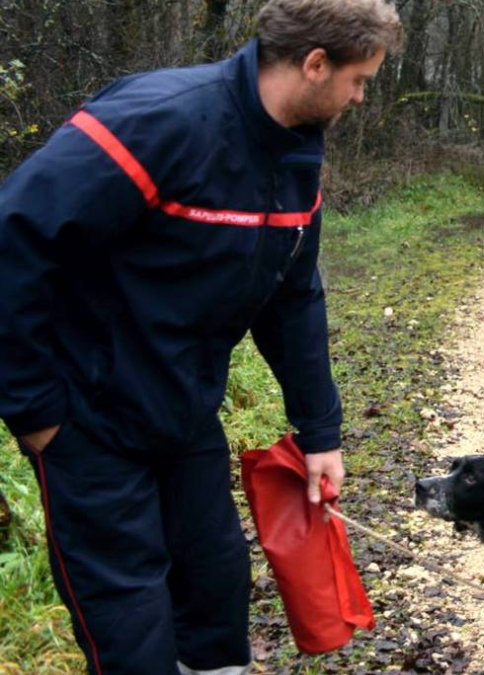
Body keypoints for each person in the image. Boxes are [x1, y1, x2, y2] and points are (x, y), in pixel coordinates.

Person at [0, 1, 401, 673]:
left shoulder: (295, 152)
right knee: (132, 634)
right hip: (90, 424)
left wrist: (320, 431)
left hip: (185, 417)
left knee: (215, 600)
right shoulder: (158, 121)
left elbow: (293, 296)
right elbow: (14, 238)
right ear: (314, 63)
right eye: (360, 79)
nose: (361, 96)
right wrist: (34, 410)